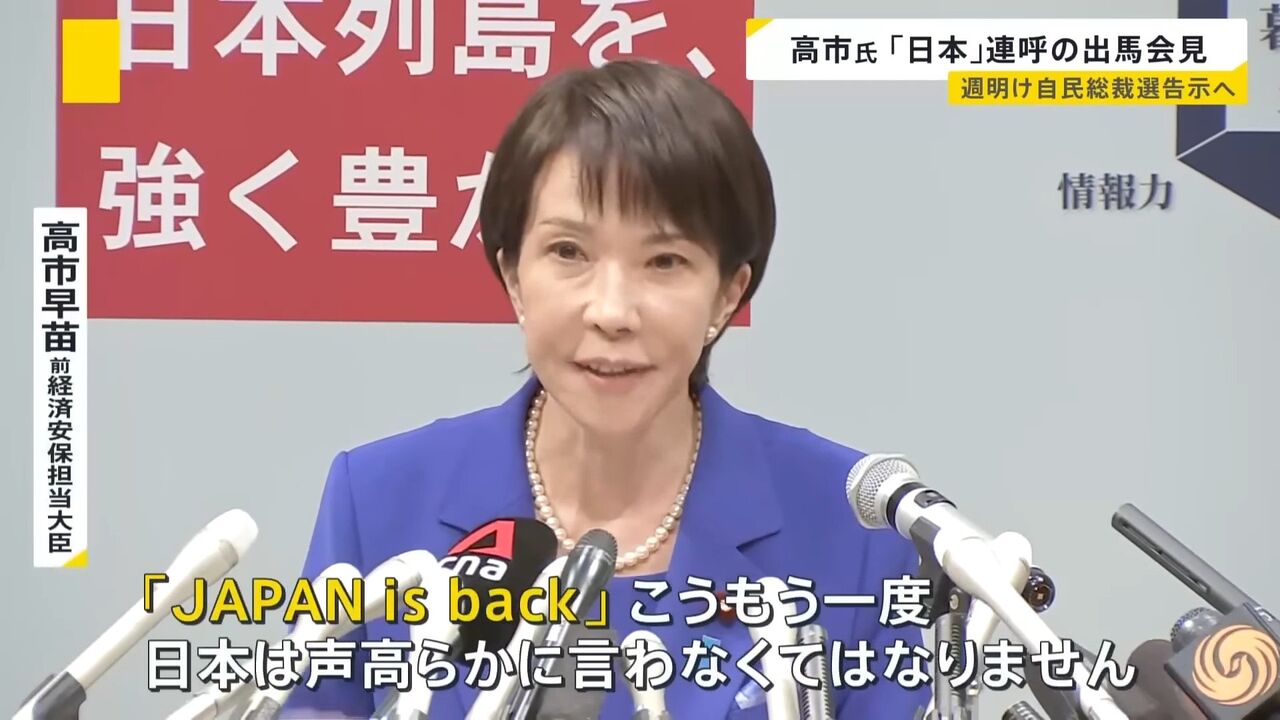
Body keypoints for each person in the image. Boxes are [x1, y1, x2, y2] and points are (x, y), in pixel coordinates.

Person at [281, 59, 930, 719]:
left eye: (665, 261)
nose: (612, 311)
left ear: (727, 293)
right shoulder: (379, 501)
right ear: (514, 276)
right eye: (569, 252)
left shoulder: (855, 530)